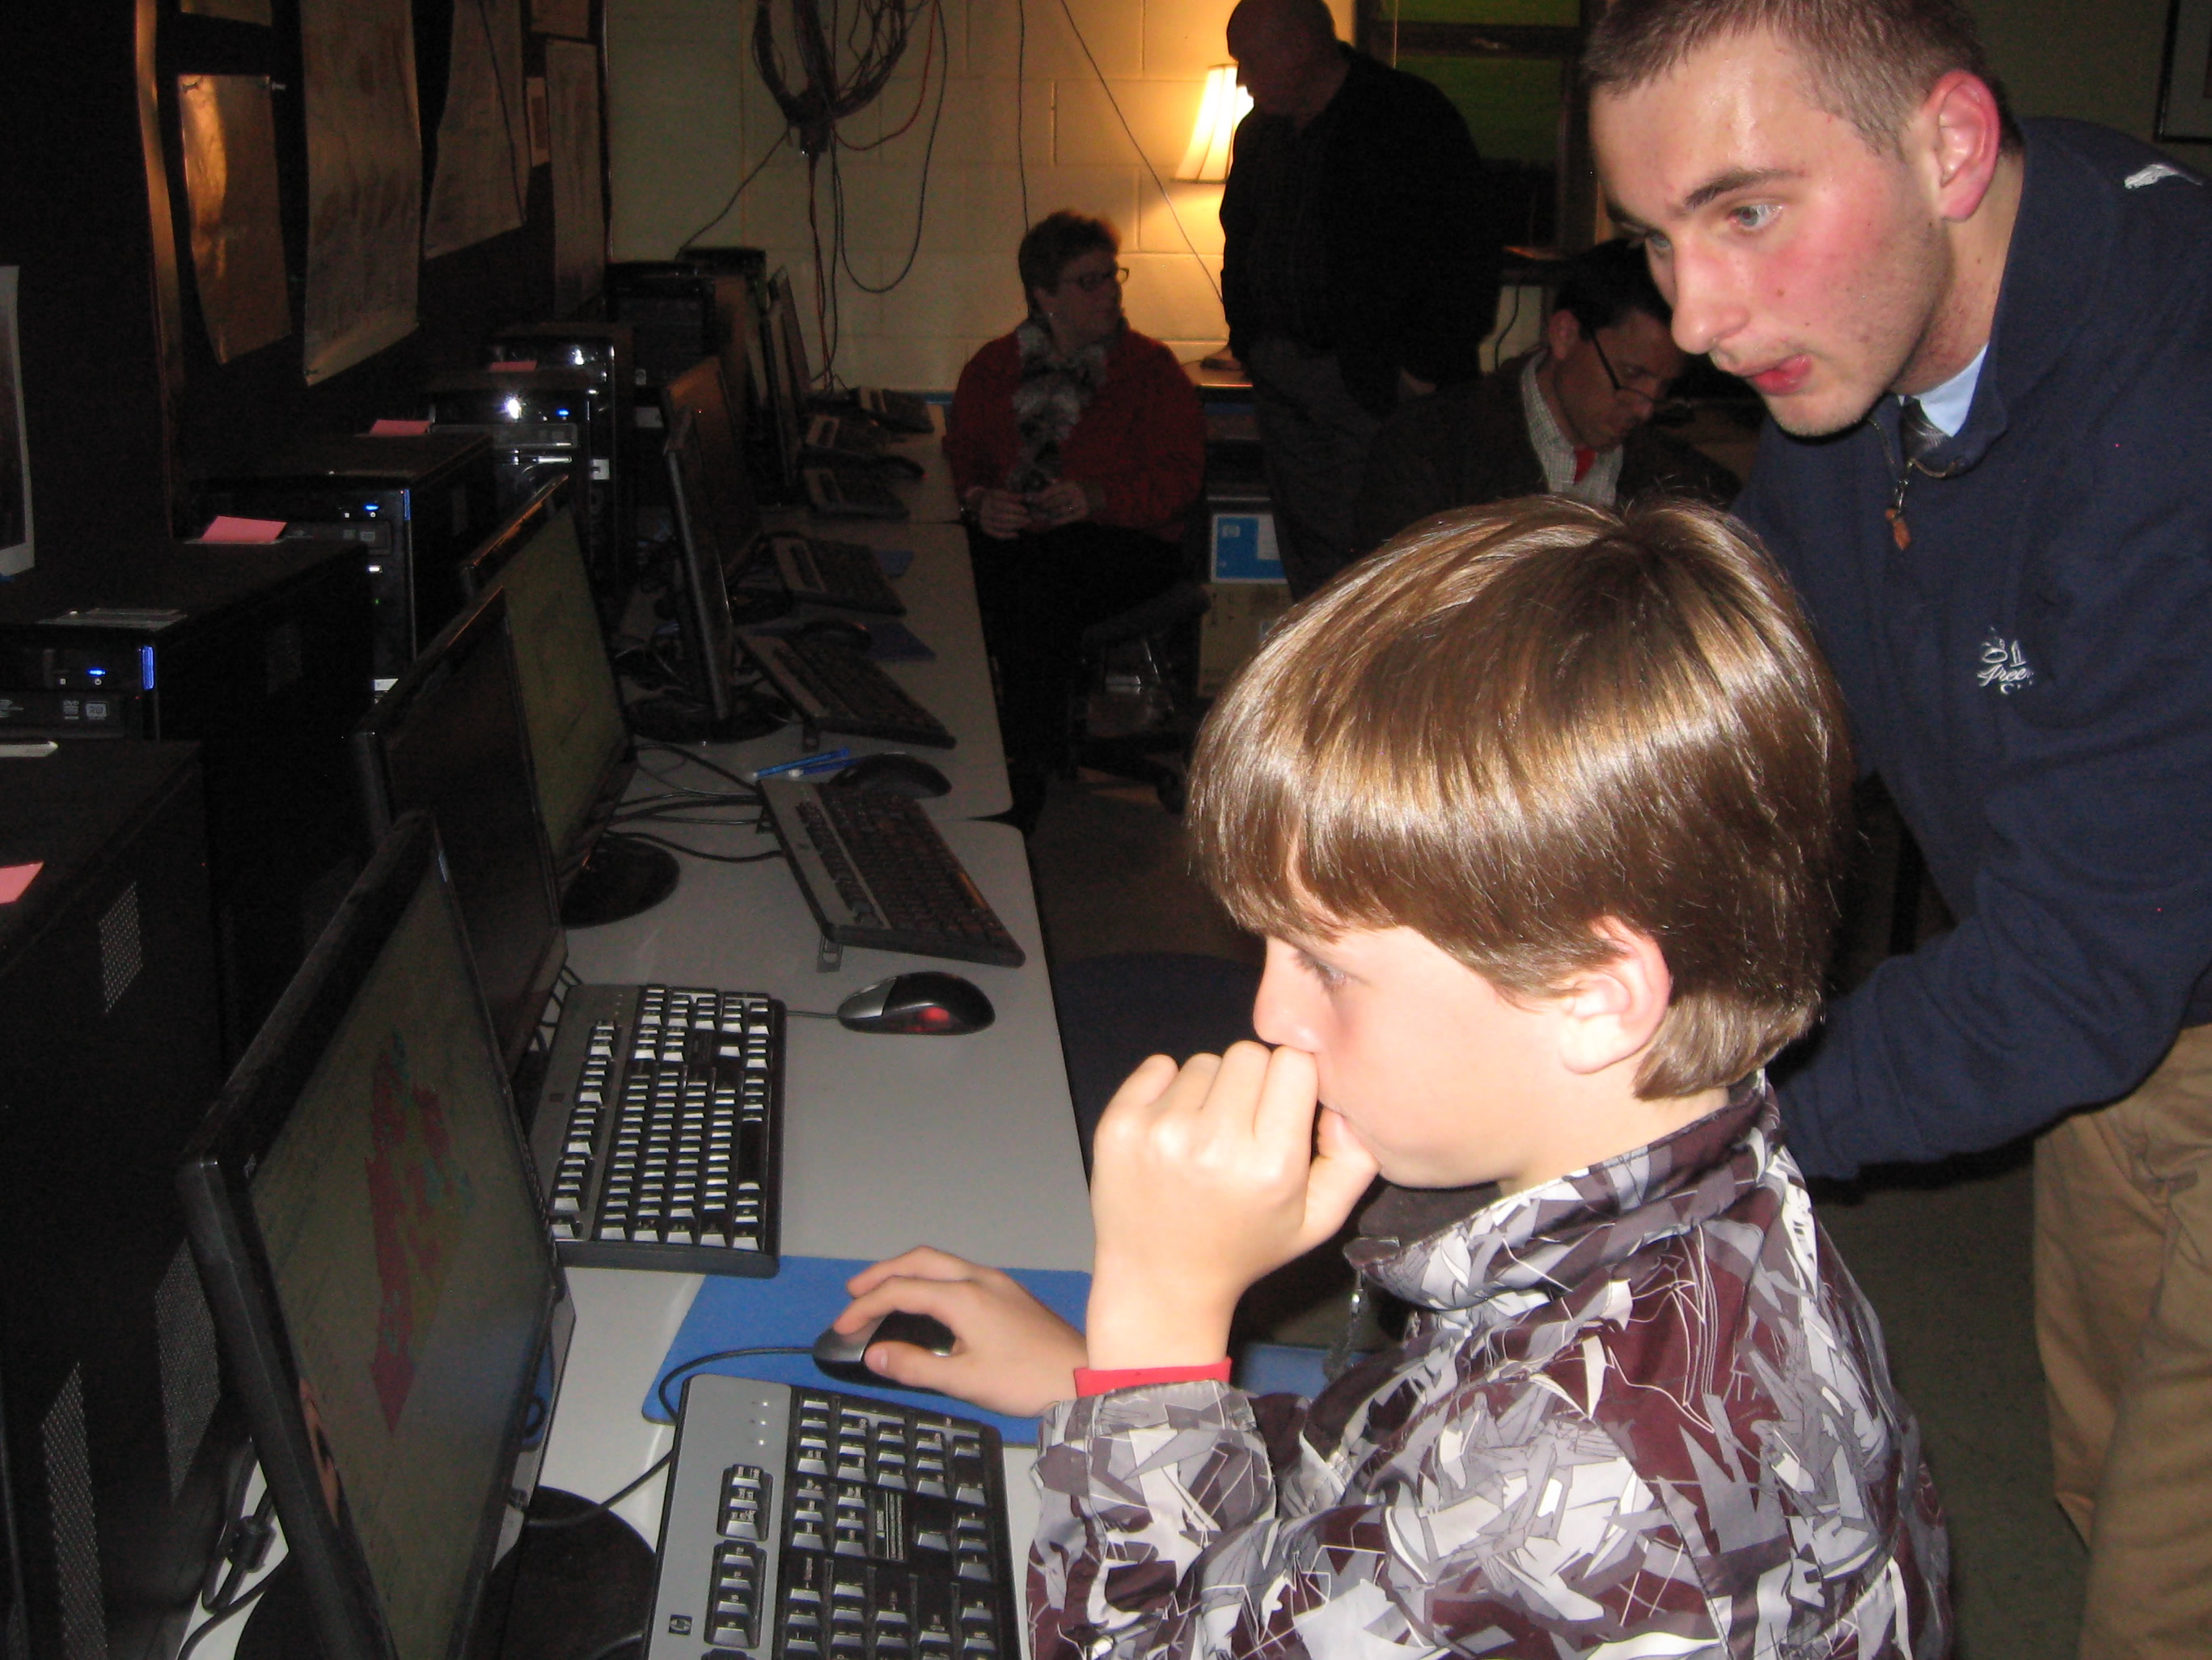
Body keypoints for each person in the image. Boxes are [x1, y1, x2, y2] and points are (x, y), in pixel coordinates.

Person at [826, 498, 1950, 1654]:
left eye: (1324, 965)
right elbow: (1399, 1476)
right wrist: (1107, 1389)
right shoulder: (1705, 1207)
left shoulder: (1587, 1472)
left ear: (1590, 995)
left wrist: (1157, 1319)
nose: (1268, 1014)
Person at [1584, 2, 2212, 1653]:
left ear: (1949, 145)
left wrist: (1673, 1127)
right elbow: (1767, 680)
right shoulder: (1867, 335)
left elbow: (2066, 978)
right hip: (2130, 1005)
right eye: (1656, 240)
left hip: (2105, 963)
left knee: (2167, 1592)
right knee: (2102, 1470)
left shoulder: (2173, 408)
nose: (1696, 318)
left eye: (1744, 210)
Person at [1220, 0, 1498, 597]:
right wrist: (1250, 342)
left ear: (1299, 46)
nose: (1242, 78)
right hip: (1286, 378)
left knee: (1387, 555)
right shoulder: (1259, 134)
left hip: (1375, 383)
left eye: (1250, 60)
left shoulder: (1405, 116)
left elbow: (1466, 252)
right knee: (1310, 556)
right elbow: (1239, 236)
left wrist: (1420, 370)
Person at [944, 211, 1205, 832]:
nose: (1109, 292)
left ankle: (1024, 770)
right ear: (1044, 295)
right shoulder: (994, 366)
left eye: (1111, 276)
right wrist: (980, 498)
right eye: (1089, 282)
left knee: (1038, 589)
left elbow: (1179, 481)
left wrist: (1097, 497)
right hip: (1025, 539)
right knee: (966, 573)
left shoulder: (1149, 370)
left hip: (1129, 539)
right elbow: (964, 452)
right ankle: (980, 757)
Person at [1355, 238, 1738, 553]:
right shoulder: (1431, 448)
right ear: (1565, 335)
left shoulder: (1687, 484)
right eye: (1631, 374)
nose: (1644, 409)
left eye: (1664, 387)